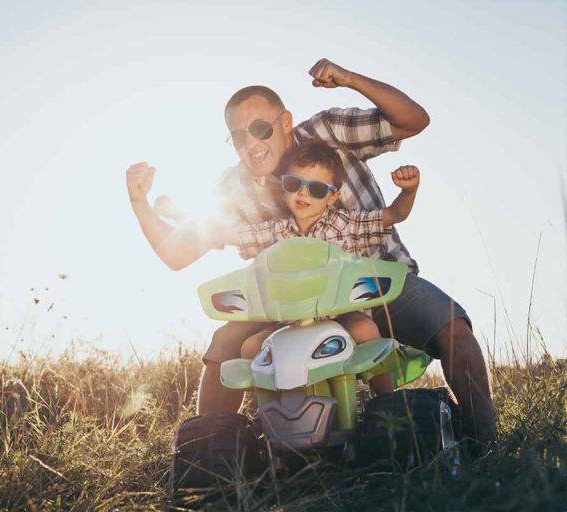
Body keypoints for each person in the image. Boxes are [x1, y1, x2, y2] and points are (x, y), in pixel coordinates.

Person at [125, 59, 497, 447]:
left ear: (285, 122)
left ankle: (482, 446)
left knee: (452, 327)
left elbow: (412, 121)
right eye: (238, 137)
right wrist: (141, 205)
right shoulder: (234, 186)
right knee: (226, 344)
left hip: (374, 284)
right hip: (287, 305)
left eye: (260, 128)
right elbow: (177, 254)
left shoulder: (327, 133)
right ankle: (211, 460)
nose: (250, 144)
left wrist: (351, 79)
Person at [218, 141, 421, 395]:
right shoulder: (275, 231)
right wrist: (188, 221)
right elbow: (234, 235)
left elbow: (393, 214)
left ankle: (387, 402)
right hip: (290, 322)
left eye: (315, 188)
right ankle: (272, 412)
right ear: (283, 185)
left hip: (342, 315)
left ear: (333, 196)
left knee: (365, 329)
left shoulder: (347, 224)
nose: (303, 194)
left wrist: (409, 192)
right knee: (251, 348)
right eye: (294, 185)